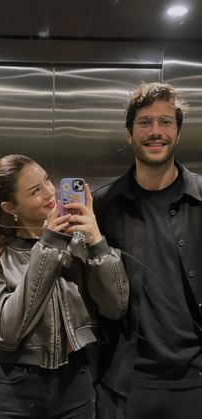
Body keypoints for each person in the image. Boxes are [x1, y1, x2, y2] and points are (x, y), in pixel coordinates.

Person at [0, 154, 129, 419]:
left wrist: (97, 241)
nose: (49, 193)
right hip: (16, 387)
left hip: (75, 380)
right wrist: (50, 245)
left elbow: (115, 306)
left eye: (46, 180)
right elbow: (8, 331)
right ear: (10, 207)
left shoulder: (78, 244)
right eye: (35, 191)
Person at [92, 82, 202, 419]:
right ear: (129, 134)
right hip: (124, 384)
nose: (156, 131)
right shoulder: (102, 205)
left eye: (166, 121)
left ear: (178, 132)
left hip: (196, 379)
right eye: (144, 122)